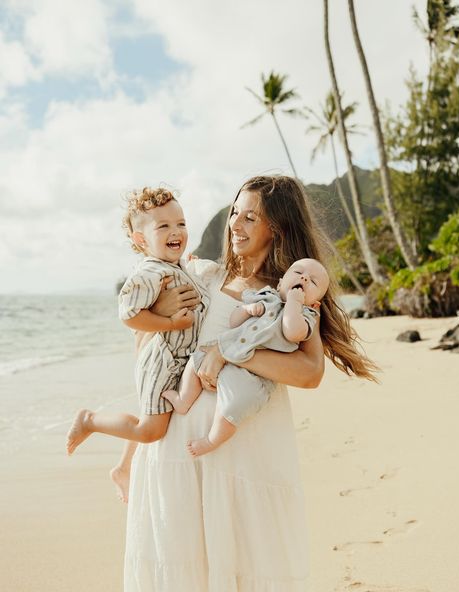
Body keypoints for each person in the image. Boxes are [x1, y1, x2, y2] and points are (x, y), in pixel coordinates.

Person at [124, 175, 377, 591]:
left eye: (250, 217)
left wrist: (229, 350)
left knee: (244, 568)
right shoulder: (202, 277)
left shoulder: (290, 291)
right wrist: (128, 456)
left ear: (276, 226)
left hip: (242, 452)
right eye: (235, 213)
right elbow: (153, 364)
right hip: (176, 453)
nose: (235, 225)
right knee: (182, 571)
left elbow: (310, 373)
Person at [66, 187, 208, 502]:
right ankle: (90, 421)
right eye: (164, 226)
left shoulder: (172, 265)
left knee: (158, 420)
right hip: (163, 362)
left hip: (178, 359)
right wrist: (170, 324)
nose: (176, 232)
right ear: (141, 240)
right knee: (150, 429)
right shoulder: (149, 272)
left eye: (181, 223)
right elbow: (129, 315)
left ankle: (123, 467)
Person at [163, 258, 330, 456]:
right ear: (280, 282)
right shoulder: (265, 297)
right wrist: (246, 310)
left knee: (233, 405)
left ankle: (212, 439)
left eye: (312, 281)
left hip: (252, 375)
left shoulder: (305, 316)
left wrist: (294, 303)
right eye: (298, 272)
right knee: (196, 358)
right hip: (227, 348)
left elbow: (293, 332)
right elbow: (234, 322)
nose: (303, 277)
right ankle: (184, 399)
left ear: (315, 303)